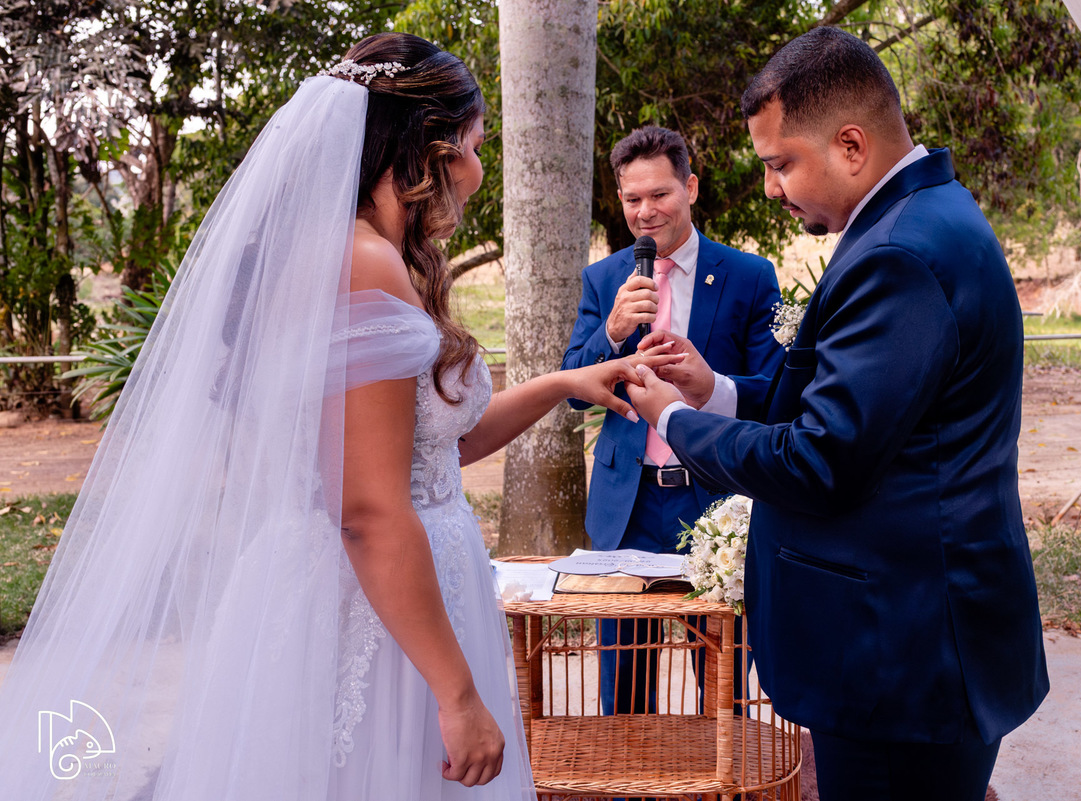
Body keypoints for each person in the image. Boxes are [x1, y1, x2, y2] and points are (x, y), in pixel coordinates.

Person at [0, 33, 665, 801]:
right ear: (434, 148)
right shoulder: (364, 264)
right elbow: (369, 509)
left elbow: (433, 451)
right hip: (373, 617)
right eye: (478, 146)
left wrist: (566, 382)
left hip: (401, 591)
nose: (479, 173)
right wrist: (456, 692)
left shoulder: (358, 253)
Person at [627, 27, 1049, 801]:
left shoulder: (900, 254)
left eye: (780, 162)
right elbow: (856, 404)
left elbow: (823, 457)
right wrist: (713, 388)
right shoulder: (921, 218)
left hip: (901, 649)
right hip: (909, 632)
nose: (770, 187)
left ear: (851, 146)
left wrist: (675, 420)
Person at [561, 126, 783, 716]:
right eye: (633, 199)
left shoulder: (749, 276)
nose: (645, 212)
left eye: (659, 194)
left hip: (715, 501)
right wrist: (610, 334)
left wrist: (711, 387)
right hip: (626, 506)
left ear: (691, 187)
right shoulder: (604, 279)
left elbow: (778, 395)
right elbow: (573, 392)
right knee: (624, 690)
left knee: (724, 690)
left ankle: (722, 767)